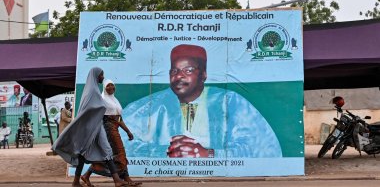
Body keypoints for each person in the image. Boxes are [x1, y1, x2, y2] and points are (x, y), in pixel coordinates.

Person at [122, 44, 282, 158]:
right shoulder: (149, 105)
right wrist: (166, 152)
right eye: (174, 71)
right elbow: (117, 140)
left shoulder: (230, 101)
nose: (179, 76)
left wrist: (210, 154)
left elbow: (263, 147)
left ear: (204, 74)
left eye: (188, 70)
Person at [52, 67, 130, 187]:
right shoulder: (92, 92)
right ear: (96, 76)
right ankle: (78, 181)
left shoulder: (94, 92)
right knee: (87, 153)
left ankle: (115, 180)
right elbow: (88, 110)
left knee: (105, 151)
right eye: (101, 75)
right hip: (91, 127)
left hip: (97, 126)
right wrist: (101, 108)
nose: (102, 77)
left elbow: (113, 115)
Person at [81, 79, 141, 187]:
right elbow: (97, 115)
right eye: (108, 86)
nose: (111, 88)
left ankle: (86, 175)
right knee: (119, 153)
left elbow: (118, 118)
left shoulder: (114, 100)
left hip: (115, 127)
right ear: (104, 87)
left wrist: (128, 131)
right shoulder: (102, 99)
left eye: (112, 85)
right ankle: (124, 179)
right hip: (108, 128)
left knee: (114, 155)